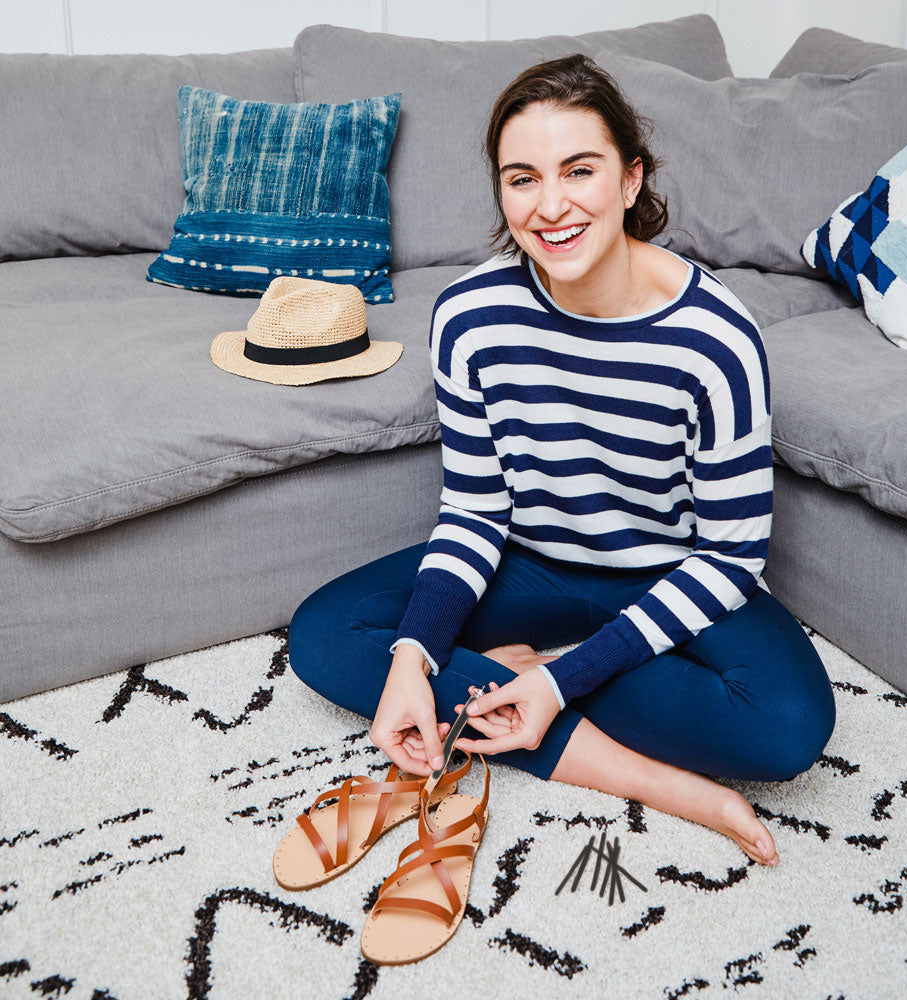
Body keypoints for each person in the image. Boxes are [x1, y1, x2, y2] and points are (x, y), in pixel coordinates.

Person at [288, 54, 836, 868]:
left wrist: (557, 678)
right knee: (329, 636)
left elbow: (731, 556)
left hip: (671, 575)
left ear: (629, 180)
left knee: (789, 725)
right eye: (522, 178)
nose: (550, 206)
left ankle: (526, 680)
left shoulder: (718, 339)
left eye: (580, 170)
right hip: (530, 567)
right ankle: (652, 781)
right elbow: (475, 512)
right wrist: (412, 658)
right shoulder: (471, 318)